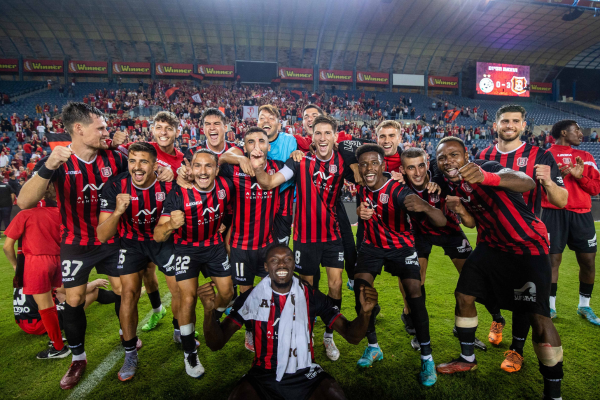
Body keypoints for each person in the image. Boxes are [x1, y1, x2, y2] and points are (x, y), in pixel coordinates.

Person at [434, 137, 564, 400]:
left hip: (526, 246)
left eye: (454, 155)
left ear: (467, 156)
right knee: (464, 295)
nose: (448, 161)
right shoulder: (451, 184)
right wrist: (460, 209)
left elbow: (526, 182)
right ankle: (467, 358)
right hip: (491, 246)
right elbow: (472, 222)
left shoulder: (487, 166)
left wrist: (485, 176)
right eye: (442, 158)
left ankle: (553, 392)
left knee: (538, 317)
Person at [17, 102, 130, 390]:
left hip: (110, 239)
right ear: (78, 129)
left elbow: (144, 171)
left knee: (124, 289)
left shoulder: (115, 157)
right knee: (74, 299)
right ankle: (78, 358)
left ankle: (125, 333)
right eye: (101, 127)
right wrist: (49, 165)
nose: (107, 132)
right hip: (75, 243)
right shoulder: (57, 160)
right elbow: (24, 202)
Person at [198, 244, 379, 400]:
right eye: (275, 260)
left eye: (287, 259)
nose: (282, 264)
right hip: (263, 374)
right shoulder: (251, 298)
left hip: (306, 373)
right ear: (266, 267)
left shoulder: (312, 296)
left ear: (294, 264)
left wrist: (365, 313)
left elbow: (352, 336)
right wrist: (208, 312)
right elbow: (216, 343)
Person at [248, 115, 357, 362]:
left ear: (335, 136)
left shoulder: (343, 160)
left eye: (327, 133)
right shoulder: (299, 160)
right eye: (318, 133)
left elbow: (369, 163)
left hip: (332, 235)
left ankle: (329, 336)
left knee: (335, 285)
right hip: (306, 238)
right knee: (307, 289)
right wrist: (258, 166)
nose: (322, 138)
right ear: (312, 137)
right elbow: (269, 183)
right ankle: (305, 334)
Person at [477, 105, 568, 372]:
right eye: (504, 120)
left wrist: (549, 182)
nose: (509, 125)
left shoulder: (541, 156)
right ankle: (496, 319)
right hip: (489, 239)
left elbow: (562, 201)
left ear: (524, 125)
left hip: (524, 241)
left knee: (523, 298)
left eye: (515, 121)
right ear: (495, 125)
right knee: (477, 288)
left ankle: (516, 350)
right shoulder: (484, 155)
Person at [353, 144, 446, 386]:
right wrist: (360, 212)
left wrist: (426, 206)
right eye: (364, 164)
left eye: (374, 163)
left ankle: (427, 358)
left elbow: (440, 220)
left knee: (415, 295)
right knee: (361, 292)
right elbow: (363, 208)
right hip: (372, 247)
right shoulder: (361, 188)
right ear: (359, 168)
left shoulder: (399, 192)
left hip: (402, 247)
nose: (369, 168)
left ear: (383, 164)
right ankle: (373, 347)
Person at [96, 142, 181, 381]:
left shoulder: (168, 185)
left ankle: (178, 330)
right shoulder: (115, 186)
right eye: (132, 161)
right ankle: (130, 352)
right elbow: (103, 235)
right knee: (129, 293)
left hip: (161, 241)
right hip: (130, 243)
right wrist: (117, 212)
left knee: (179, 289)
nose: (137, 167)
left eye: (144, 161)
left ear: (155, 164)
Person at [154, 149, 235, 379]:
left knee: (227, 293)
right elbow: (158, 234)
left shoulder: (225, 187)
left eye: (208, 166)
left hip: (214, 247)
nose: (202, 171)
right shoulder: (179, 194)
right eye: (197, 166)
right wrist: (171, 225)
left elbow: (231, 209)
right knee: (187, 298)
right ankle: (189, 351)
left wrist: (225, 224)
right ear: (190, 168)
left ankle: (213, 318)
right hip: (187, 248)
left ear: (217, 170)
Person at [111, 111, 183, 332]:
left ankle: (179, 328)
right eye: (159, 127)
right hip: (134, 230)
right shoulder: (140, 148)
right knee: (146, 275)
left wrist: (179, 175)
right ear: (152, 130)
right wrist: (112, 143)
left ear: (177, 132)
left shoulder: (182, 158)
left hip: (164, 230)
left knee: (177, 285)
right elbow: (116, 153)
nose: (163, 132)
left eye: (169, 128)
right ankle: (157, 309)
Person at [218, 127, 285, 352]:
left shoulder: (278, 167)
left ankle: (272, 327)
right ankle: (249, 330)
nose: (256, 146)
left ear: (269, 145)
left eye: (261, 141)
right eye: (250, 142)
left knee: (272, 291)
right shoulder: (234, 169)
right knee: (246, 295)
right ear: (244, 146)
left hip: (267, 246)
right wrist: (235, 157)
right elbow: (217, 159)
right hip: (240, 246)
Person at [542, 120, 600, 325]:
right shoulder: (544, 156)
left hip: (582, 215)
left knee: (588, 261)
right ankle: (550, 306)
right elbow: (536, 189)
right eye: (577, 130)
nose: (581, 134)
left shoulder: (586, 157)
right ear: (564, 132)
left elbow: (595, 189)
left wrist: (580, 176)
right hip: (552, 214)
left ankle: (584, 306)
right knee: (552, 262)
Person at [3, 185, 67, 359]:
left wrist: (16, 266)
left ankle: (59, 347)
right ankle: (66, 335)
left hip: (36, 262)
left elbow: (7, 246)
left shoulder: (24, 214)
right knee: (64, 298)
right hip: (58, 260)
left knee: (45, 307)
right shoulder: (60, 213)